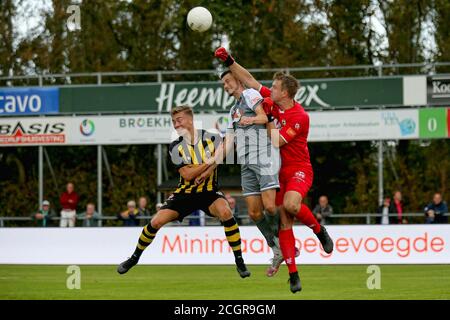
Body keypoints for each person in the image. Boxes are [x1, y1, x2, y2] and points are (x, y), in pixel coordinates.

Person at [216, 47, 333, 293]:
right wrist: (229, 60)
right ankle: (293, 274)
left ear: (285, 92)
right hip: (277, 169)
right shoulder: (272, 101)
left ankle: (318, 230)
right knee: (282, 219)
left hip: (298, 168)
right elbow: (249, 80)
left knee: (289, 206)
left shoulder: (300, 115)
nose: (270, 89)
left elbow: (277, 141)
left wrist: (265, 119)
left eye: (275, 87)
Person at [117, 105, 250, 278]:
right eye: (173, 121)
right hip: (184, 194)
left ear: (190, 119)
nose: (176, 124)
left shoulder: (212, 137)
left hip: (209, 193)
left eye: (179, 120)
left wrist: (210, 168)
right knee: (156, 222)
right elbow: (187, 174)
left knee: (226, 212)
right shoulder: (175, 146)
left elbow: (225, 149)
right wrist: (210, 161)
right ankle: (134, 258)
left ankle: (239, 260)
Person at [217, 69, 283, 276]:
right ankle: (277, 248)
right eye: (223, 84)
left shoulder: (250, 95)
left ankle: (284, 244)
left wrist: (250, 120)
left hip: (264, 155)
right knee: (254, 213)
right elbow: (228, 142)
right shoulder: (232, 110)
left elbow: (265, 116)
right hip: (245, 163)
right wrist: (211, 162)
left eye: (228, 81)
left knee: (271, 207)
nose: (226, 86)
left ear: (237, 80)